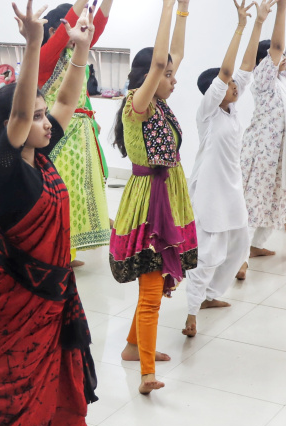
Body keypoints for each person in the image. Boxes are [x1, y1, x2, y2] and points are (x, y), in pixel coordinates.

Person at [0, 4, 99, 426]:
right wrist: (32, 45)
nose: (48, 122)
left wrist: (82, 49)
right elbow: (25, 110)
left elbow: (64, 101)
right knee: (8, 390)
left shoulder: (41, 159)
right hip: (12, 302)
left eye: (46, 118)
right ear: (15, 125)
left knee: (42, 381)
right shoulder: (3, 169)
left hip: (49, 299)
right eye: (38, 118)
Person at [110, 0, 196, 395]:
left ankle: (133, 347)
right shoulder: (137, 106)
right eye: (168, 74)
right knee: (151, 293)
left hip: (167, 196)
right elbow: (164, 61)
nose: (174, 78)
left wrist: (181, 12)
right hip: (150, 206)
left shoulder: (158, 103)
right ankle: (146, 373)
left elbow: (172, 55)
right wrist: (165, 8)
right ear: (150, 75)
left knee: (157, 282)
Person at [183, 0, 274, 337]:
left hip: (231, 189)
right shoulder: (208, 111)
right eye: (229, 85)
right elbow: (226, 73)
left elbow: (246, 67)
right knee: (208, 252)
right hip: (209, 191)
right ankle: (192, 310)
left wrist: (259, 23)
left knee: (237, 246)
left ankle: (209, 296)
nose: (236, 86)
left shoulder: (232, 110)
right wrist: (239, 26)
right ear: (215, 92)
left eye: (236, 85)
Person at [37, 0, 113, 267]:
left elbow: (98, 26)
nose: (81, 33)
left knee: (77, 195)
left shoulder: (75, 52)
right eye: (75, 26)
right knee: (61, 195)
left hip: (79, 135)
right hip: (57, 135)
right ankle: (56, 254)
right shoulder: (46, 57)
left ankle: (67, 252)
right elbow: (63, 36)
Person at [238, 0, 286, 277]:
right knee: (254, 204)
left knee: (274, 202)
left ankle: (256, 246)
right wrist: (281, 7)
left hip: (278, 155)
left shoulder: (283, 78)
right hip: (261, 155)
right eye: (274, 58)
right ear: (264, 62)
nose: (281, 60)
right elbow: (279, 49)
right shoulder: (263, 78)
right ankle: (240, 257)